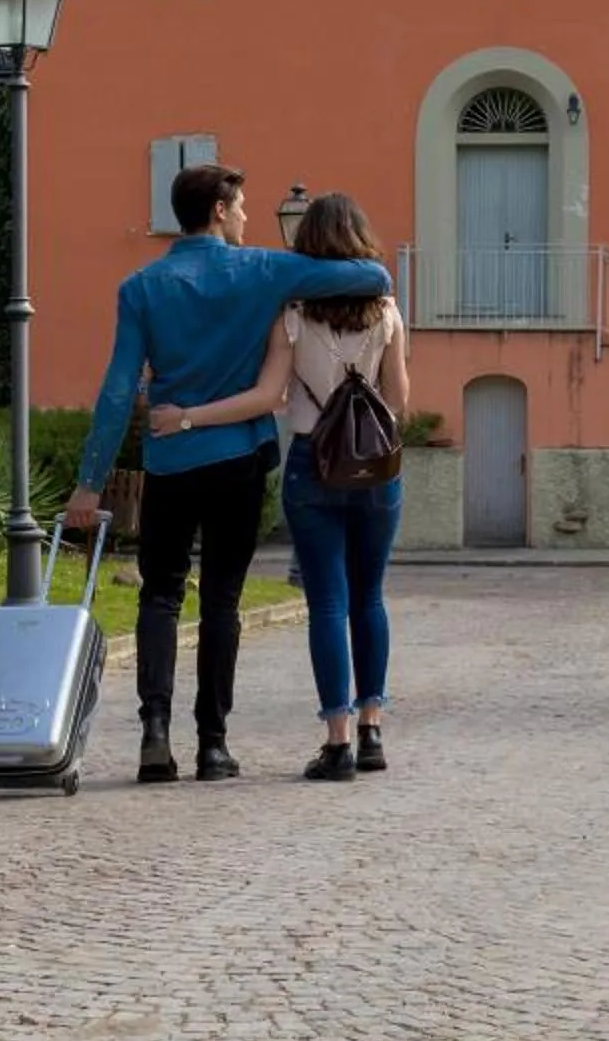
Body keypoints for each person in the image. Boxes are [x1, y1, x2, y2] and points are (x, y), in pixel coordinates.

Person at [64, 163, 391, 784]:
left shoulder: (141, 286)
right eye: (240, 206)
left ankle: (154, 735)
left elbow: (115, 391)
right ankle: (213, 745)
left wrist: (91, 479)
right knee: (222, 601)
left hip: (170, 464)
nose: (246, 217)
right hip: (238, 461)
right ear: (218, 209)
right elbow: (373, 274)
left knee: (159, 595)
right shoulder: (263, 270)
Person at [152, 192, 408, 783]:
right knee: (369, 598)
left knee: (327, 603)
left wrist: (187, 416)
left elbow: (269, 397)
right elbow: (398, 399)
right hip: (376, 471)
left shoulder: (292, 314)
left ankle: (337, 740)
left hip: (312, 468)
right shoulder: (386, 311)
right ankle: (373, 729)